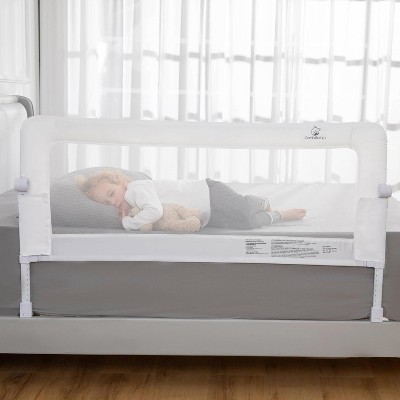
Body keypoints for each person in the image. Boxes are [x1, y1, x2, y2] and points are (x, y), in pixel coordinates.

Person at [77, 170, 306, 231]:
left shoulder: (136, 189)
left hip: (208, 192)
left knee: (244, 208)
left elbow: (155, 212)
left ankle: (260, 201)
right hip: (204, 215)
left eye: (111, 193)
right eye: (106, 202)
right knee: (246, 224)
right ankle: (279, 215)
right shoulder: (131, 203)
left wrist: (127, 222)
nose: (113, 201)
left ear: (120, 182)